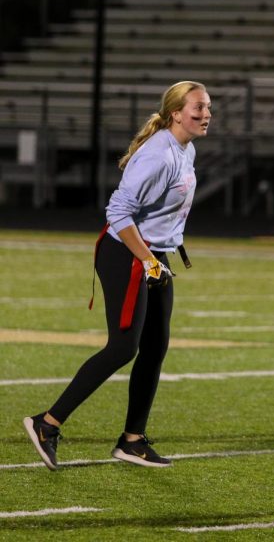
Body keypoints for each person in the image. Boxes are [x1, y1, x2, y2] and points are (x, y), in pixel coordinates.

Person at [23, 81, 211, 471]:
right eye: (198, 108)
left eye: (208, 108)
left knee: (155, 346)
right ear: (176, 112)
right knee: (123, 347)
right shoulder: (159, 155)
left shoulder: (185, 148)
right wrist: (147, 259)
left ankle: (132, 440)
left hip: (151, 255)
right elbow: (118, 213)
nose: (206, 114)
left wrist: (160, 254)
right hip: (126, 253)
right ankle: (47, 423)